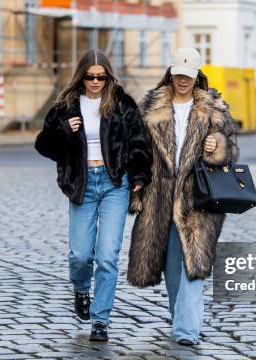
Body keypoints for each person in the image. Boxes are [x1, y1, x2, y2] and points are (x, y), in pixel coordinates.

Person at [35, 49, 152, 342]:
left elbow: (140, 141)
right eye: (90, 76)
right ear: (81, 76)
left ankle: (101, 320)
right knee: (80, 255)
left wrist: (138, 175)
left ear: (108, 77)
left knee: (108, 256)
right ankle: (81, 288)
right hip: (83, 184)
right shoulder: (66, 106)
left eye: (101, 77)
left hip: (115, 183)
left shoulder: (122, 104)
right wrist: (63, 131)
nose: (96, 82)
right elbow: (43, 146)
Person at [127, 47, 238, 346]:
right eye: (178, 74)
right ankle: (181, 320)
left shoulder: (214, 108)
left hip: (197, 199)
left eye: (188, 75)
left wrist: (219, 146)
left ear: (197, 75)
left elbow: (232, 151)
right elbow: (135, 148)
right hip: (159, 197)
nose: (183, 80)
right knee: (172, 266)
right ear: (171, 73)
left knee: (194, 266)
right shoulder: (150, 106)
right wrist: (136, 182)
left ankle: (186, 330)